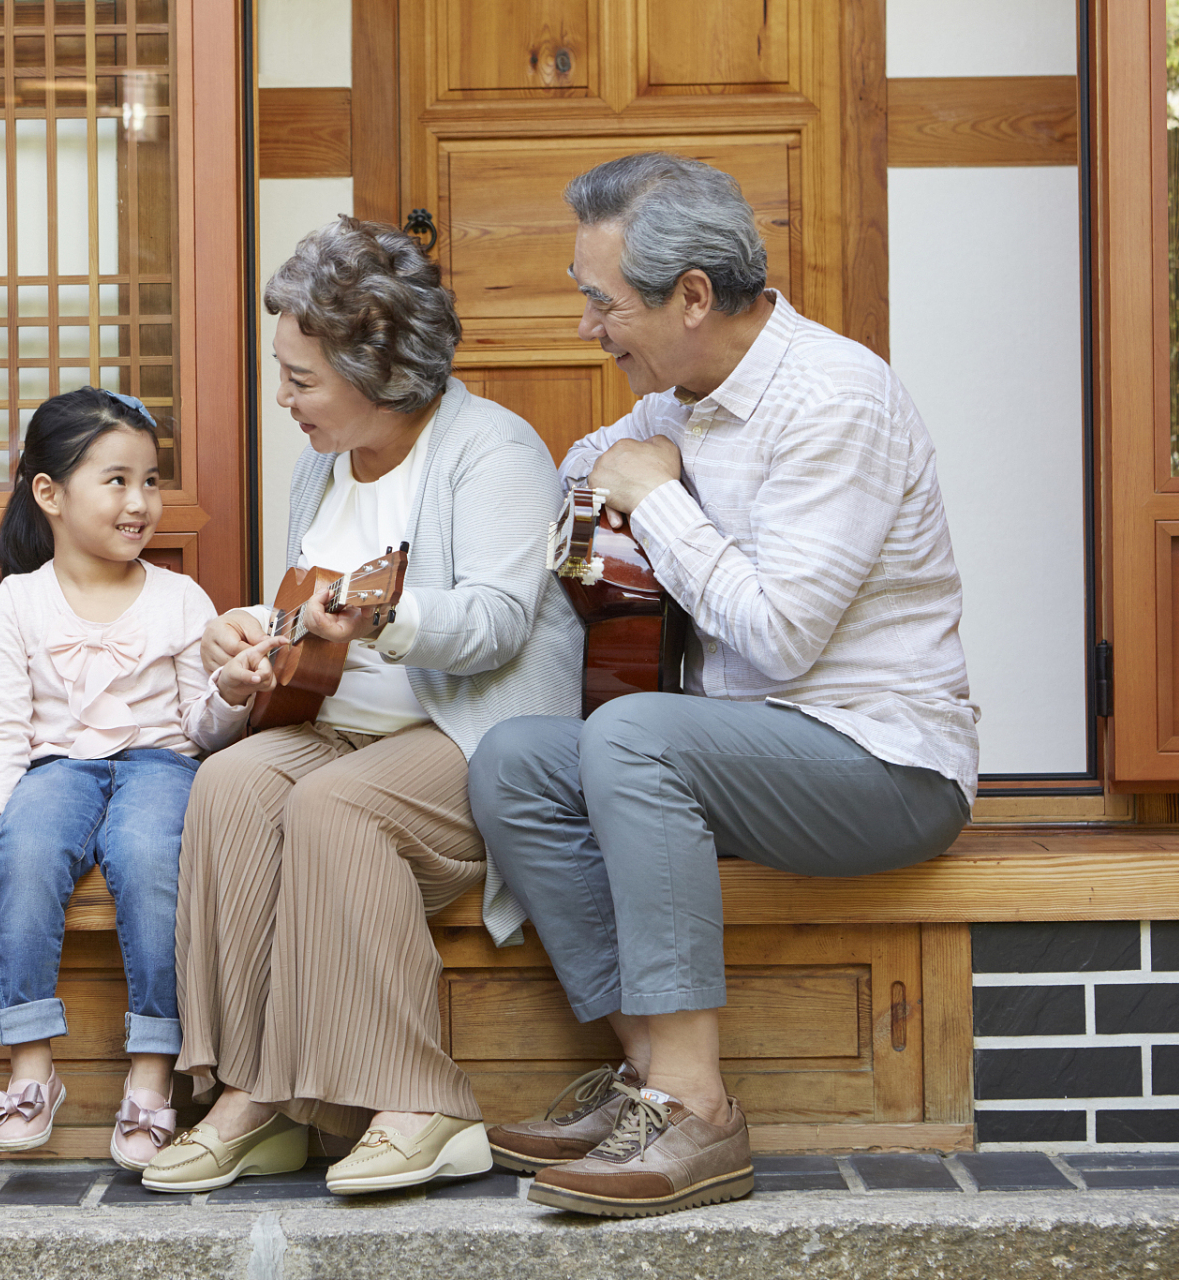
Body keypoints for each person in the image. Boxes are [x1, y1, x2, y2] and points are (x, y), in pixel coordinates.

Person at [468, 153, 980, 1218]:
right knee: (516, 759)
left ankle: (696, 1111)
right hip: (744, 754)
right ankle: (649, 1076)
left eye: (599, 301)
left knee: (635, 735)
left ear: (690, 297)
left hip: (882, 762)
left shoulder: (834, 398)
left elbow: (782, 639)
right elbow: (579, 470)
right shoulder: (680, 398)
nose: (586, 327)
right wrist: (605, 483)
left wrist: (655, 500)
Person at [139, 216, 583, 1197]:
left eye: (300, 378)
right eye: (281, 372)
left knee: (335, 806)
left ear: (376, 366)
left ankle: (422, 1100)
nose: (282, 397)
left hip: (479, 735)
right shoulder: (322, 460)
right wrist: (251, 629)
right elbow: (310, 598)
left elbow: (499, 622)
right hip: (346, 724)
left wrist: (378, 619)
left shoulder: (491, 448)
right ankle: (256, 1097)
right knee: (232, 783)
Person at [0, 386, 250, 1169]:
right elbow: (0, 719)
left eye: (151, 481)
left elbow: (203, 730)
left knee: (147, 856)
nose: (140, 502)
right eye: (117, 480)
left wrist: (229, 694)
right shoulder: (18, 602)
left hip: (161, 764)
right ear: (50, 494)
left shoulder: (179, 598)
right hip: (57, 768)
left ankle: (153, 1071)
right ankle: (30, 1064)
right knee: (25, 853)